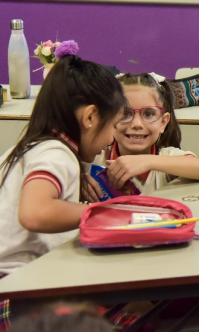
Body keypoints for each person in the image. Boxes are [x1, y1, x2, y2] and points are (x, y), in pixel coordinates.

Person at [0, 56, 126, 276]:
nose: (110, 139)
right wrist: (105, 213)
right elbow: (35, 213)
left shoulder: (28, 148)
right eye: (113, 125)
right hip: (13, 286)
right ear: (90, 117)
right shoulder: (57, 153)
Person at [92, 73, 199, 195]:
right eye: (125, 113)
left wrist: (147, 162)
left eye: (149, 114)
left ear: (163, 122)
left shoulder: (166, 158)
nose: (137, 124)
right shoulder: (96, 157)